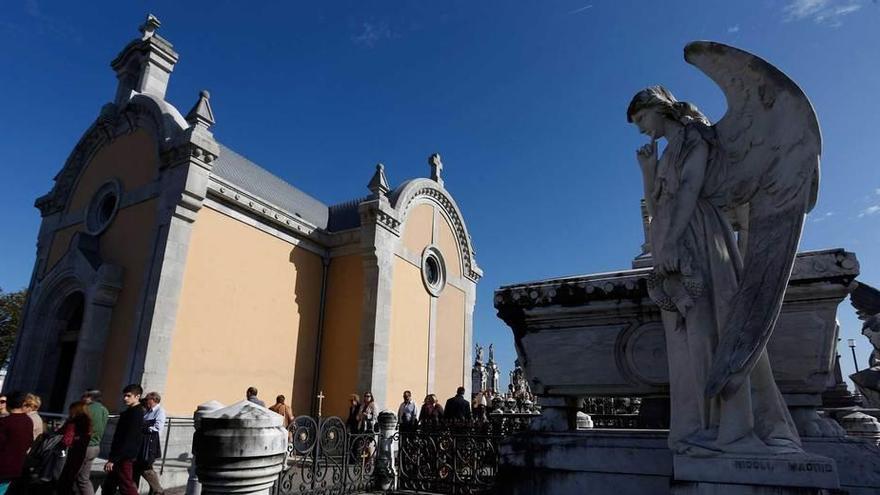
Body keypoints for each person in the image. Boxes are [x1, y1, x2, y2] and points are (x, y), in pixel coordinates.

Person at [628, 85, 801, 454]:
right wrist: (647, 172)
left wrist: (673, 240)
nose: (641, 129)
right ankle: (700, 425)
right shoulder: (667, 150)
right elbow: (657, 206)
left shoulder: (695, 135)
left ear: (657, 109)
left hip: (699, 235)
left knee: (714, 323)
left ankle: (732, 427)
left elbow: (690, 189)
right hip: (672, 239)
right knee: (688, 337)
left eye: (641, 119)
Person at [102, 384, 145, 495]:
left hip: (124, 457)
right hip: (121, 455)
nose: (125, 398)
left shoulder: (136, 413)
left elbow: (128, 439)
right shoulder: (131, 412)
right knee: (109, 485)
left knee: (126, 486)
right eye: (124, 396)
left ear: (137, 396)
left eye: (128, 396)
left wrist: (114, 459)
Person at [0, 391, 34, 495]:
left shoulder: (4, 422)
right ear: (23, 404)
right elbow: (29, 442)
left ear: (8, 404)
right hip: (15, 467)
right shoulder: (28, 421)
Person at [56, 401, 92, 495]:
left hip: (69, 453)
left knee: (64, 479)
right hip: (81, 453)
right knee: (74, 478)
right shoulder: (87, 421)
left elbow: (67, 439)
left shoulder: (73, 422)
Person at [78, 389, 108, 495]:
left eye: (83, 396)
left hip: (84, 446)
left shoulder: (85, 408)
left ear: (89, 397)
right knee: (83, 479)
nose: (81, 398)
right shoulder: (104, 410)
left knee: (73, 476)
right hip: (95, 447)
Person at [134, 391, 165, 495]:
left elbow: (157, 427)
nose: (146, 401)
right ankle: (153, 490)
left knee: (145, 467)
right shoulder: (148, 411)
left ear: (154, 400)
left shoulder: (160, 411)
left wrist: (143, 427)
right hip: (142, 442)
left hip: (150, 443)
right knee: (139, 466)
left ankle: (158, 491)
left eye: (147, 399)